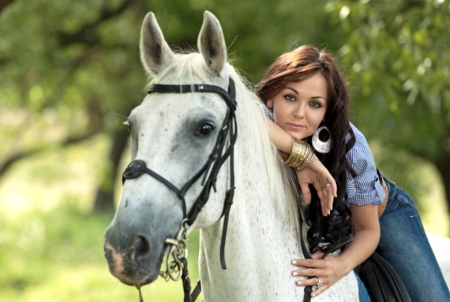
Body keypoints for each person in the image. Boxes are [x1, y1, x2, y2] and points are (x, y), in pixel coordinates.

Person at [255, 45, 450, 301]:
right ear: (270, 97)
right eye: (290, 97)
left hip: (378, 214)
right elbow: (232, 110)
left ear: (326, 111)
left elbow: (367, 230)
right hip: (321, 228)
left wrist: (341, 266)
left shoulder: (350, 146)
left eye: (315, 104)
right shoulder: (258, 118)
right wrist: (302, 158)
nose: (300, 113)